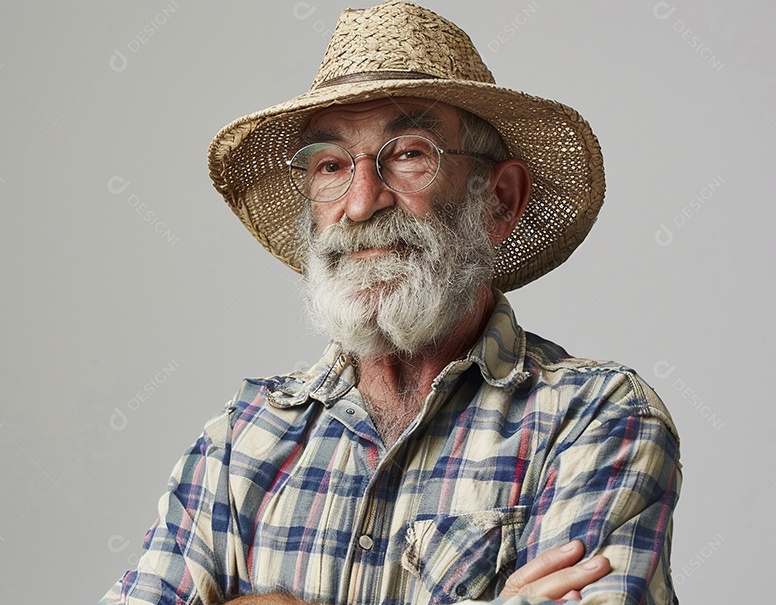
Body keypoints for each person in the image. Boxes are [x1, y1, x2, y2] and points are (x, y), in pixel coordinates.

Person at [100, 2, 681, 604]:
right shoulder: (241, 442)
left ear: (499, 200)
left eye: (408, 154)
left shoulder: (595, 417)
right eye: (330, 165)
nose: (360, 204)